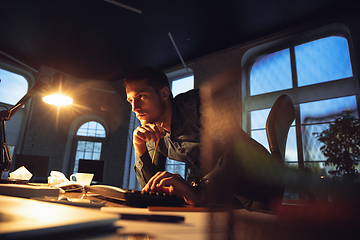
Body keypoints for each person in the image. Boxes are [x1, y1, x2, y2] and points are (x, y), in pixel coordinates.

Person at [124, 67, 284, 210]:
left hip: (259, 183)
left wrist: (197, 188)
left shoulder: (200, 103)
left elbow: (235, 150)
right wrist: (140, 148)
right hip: (221, 196)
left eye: (142, 96)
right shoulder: (152, 132)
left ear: (164, 93)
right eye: (130, 100)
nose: (134, 108)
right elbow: (151, 190)